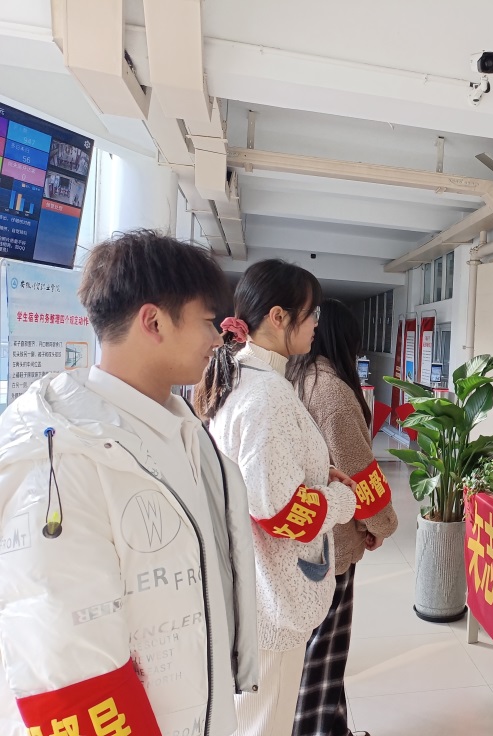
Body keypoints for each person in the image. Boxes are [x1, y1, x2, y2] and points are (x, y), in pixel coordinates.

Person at [0, 230, 259, 736]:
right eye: (208, 321)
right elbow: (70, 664)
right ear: (154, 321)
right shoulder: (62, 460)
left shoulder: (180, 427)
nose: (217, 339)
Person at [195, 260, 358, 736]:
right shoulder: (268, 396)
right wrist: (341, 499)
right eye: (310, 315)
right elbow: (283, 513)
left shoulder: (239, 378)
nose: (315, 326)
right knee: (264, 723)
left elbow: (258, 480)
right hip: (272, 600)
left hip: (248, 587)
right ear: (279, 317)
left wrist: (315, 473)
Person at [287, 299, 399, 736]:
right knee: (325, 656)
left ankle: (336, 729)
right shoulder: (332, 392)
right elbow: (360, 472)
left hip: (303, 538)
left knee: (318, 652)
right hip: (330, 545)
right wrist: (380, 525)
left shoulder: (296, 378)